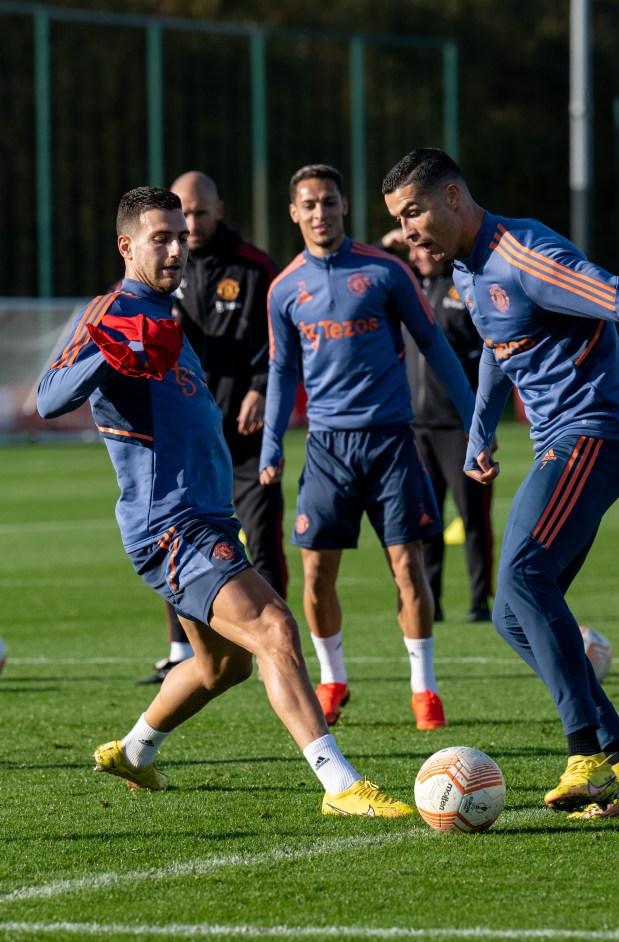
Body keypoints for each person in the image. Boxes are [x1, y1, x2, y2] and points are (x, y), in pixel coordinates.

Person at [382, 147, 619, 819]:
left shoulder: (526, 255)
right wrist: (481, 431)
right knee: (512, 614)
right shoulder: (469, 273)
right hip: (557, 442)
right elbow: (503, 352)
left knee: (523, 577)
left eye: (413, 212)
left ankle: (585, 752)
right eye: (399, 219)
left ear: (452, 198)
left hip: (597, 434)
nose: (409, 230)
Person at [36, 186, 413, 817]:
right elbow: (49, 397)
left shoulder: (163, 315)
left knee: (223, 668)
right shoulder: (113, 312)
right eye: (162, 237)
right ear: (127, 246)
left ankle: (135, 749)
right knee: (275, 628)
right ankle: (340, 784)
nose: (178, 248)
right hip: (172, 525)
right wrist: (112, 350)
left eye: (181, 236)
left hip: (205, 517)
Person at [259, 164, 476, 730]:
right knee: (315, 577)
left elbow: (433, 343)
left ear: (344, 206)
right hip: (327, 449)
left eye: (329, 202)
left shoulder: (386, 271)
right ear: (294, 212)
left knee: (409, 569)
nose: (320, 213)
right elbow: (282, 371)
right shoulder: (284, 288)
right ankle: (332, 679)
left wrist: (478, 417)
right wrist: (270, 446)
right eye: (309, 204)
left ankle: (423, 690)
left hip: (391, 443)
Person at [138, 170, 287, 685]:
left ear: (219, 210)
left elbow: (283, 338)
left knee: (263, 538)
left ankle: (278, 646)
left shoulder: (254, 267)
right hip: (186, 443)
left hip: (246, 436)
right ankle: (181, 652)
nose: (192, 225)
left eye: (201, 213)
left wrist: (262, 386)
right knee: (173, 543)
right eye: (184, 216)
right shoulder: (160, 274)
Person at [381, 228, 494, 624]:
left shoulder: (463, 285)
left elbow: (490, 356)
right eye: (411, 250)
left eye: (423, 247)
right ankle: (433, 602)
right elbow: (369, 274)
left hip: (460, 427)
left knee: (474, 517)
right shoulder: (407, 289)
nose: (417, 256)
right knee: (426, 520)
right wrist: (388, 244)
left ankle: (481, 601)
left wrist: (482, 422)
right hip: (416, 427)